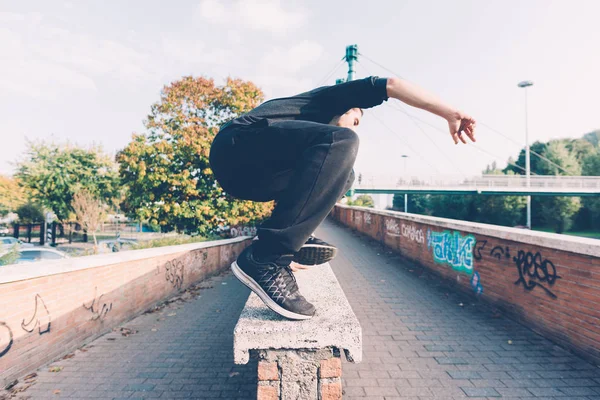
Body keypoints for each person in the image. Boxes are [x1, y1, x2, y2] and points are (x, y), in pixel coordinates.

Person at [209, 76, 476, 320]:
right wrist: (449, 112)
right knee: (343, 142)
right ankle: (266, 258)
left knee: (344, 173)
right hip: (238, 147)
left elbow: (301, 188)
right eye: (355, 121)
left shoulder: (309, 144)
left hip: (251, 179)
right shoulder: (333, 98)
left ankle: (291, 240)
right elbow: (392, 85)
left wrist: (291, 235)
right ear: (349, 107)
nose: (356, 128)